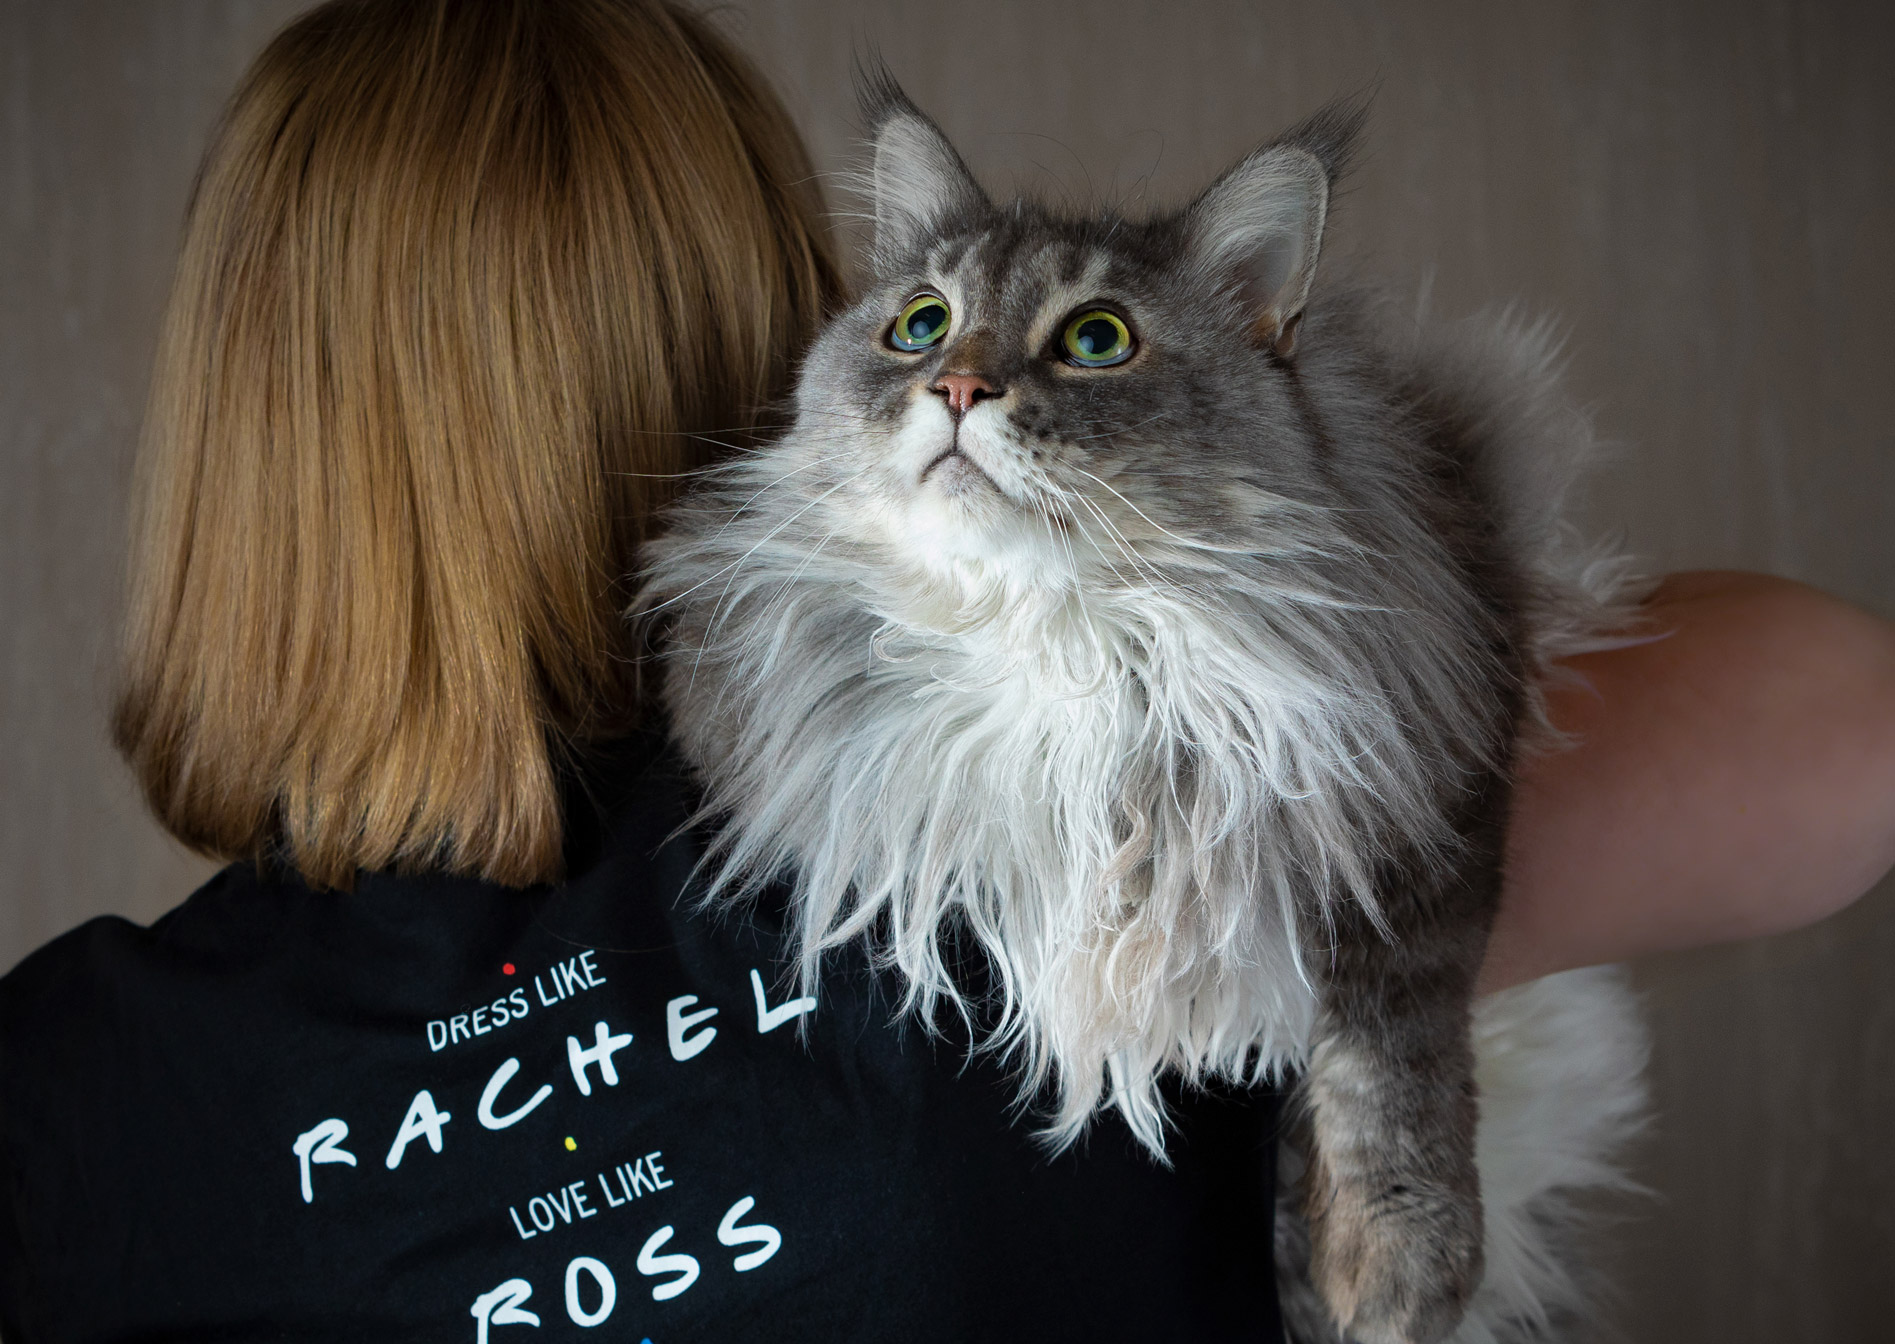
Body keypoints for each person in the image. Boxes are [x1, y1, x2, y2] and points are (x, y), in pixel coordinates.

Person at [1, 1, 1890, 1340]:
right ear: (762, 315)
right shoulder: (1068, 831)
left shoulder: (71, 1093)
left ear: (226, 463)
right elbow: (1840, 726)